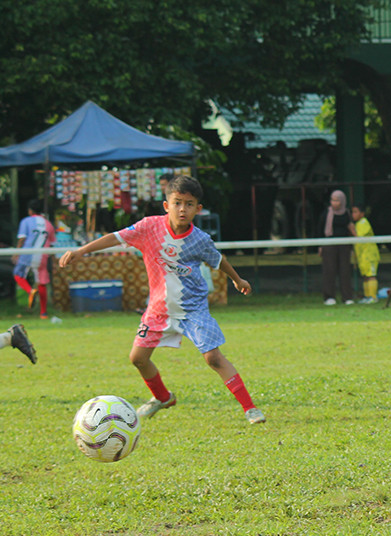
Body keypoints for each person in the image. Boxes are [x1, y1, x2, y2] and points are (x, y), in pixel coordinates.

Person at [59, 175, 266, 424]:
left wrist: (237, 279)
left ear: (198, 209)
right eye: (177, 202)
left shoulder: (199, 239)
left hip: (192, 310)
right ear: (166, 205)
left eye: (189, 204)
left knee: (213, 358)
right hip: (158, 310)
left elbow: (217, 259)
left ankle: (250, 408)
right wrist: (81, 250)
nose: (182, 209)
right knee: (137, 358)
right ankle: (163, 397)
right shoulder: (149, 227)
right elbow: (116, 236)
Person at [13, 199, 56, 319]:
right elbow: (52, 243)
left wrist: (16, 253)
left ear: (30, 210)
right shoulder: (48, 224)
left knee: (18, 274)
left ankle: (30, 291)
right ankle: (43, 313)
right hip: (43, 255)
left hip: (28, 253)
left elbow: (22, 238)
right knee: (42, 282)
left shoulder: (26, 221)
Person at [319, 190, 355, 305]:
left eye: (337, 200)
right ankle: (329, 297)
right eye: (332, 200)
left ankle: (347, 297)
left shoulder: (347, 213)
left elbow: (350, 228)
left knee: (345, 271)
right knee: (329, 270)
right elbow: (320, 229)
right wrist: (320, 245)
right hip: (329, 245)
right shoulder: (326, 213)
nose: (334, 203)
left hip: (344, 245)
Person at [351, 205, 381, 304]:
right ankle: (367, 296)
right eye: (352, 212)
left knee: (371, 275)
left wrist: (351, 229)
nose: (353, 214)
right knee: (365, 276)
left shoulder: (364, 222)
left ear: (362, 213)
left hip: (369, 254)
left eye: (355, 212)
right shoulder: (358, 224)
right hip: (362, 255)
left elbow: (359, 236)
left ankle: (373, 297)